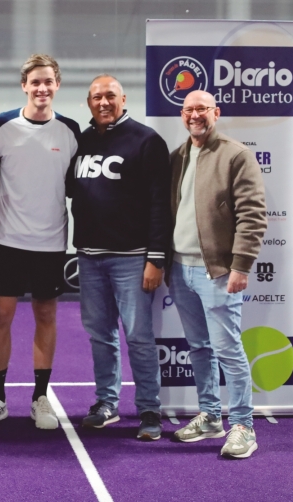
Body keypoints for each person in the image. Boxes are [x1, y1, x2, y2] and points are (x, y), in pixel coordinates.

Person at [0, 54, 80, 431]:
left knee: (46, 317)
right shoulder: (1, 126)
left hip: (51, 244)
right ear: (24, 85)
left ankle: (40, 398)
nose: (42, 88)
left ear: (57, 85)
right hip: (6, 242)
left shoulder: (70, 130)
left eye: (48, 81)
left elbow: (75, 187)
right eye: (35, 82)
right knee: (1, 317)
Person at [71, 75, 171, 441]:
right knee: (100, 335)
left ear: (123, 99)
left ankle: (149, 409)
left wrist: (156, 258)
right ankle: (106, 403)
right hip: (89, 258)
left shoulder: (146, 140)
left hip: (132, 259)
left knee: (140, 338)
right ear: (88, 102)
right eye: (96, 97)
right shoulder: (80, 142)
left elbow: (162, 203)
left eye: (109, 96)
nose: (103, 102)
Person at [167, 90, 266, 459]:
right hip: (180, 269)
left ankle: (243, 425)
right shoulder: (177, 156)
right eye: (189, 109)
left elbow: (253, 215)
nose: (195, 115)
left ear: (216, 113)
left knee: (228, 349)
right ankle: (210, 416)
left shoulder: (236, 155)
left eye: (202, 109)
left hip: (218, 272)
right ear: (182, 114)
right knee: (199, 348)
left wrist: (241, 266)